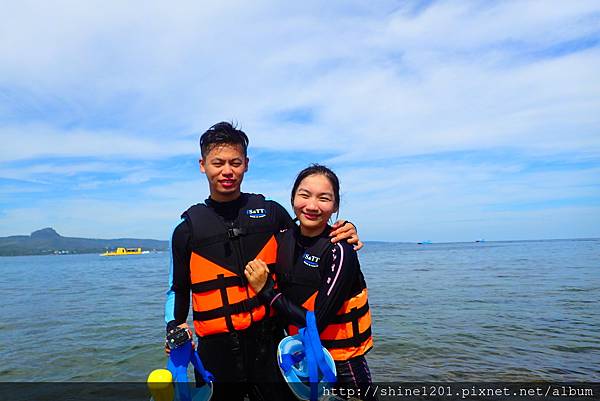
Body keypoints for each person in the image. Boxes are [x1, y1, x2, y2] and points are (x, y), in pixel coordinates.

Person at [165, 123, 362, 401]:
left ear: (246, 164)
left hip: (269, 344)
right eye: (217, 163)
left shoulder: (271, 214)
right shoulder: (187, 230)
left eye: (235, 162)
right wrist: (173, 325)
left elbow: (310, 234)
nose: (227, 171)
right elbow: (178, 288)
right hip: (216, 351)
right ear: (203, 165)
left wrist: (346, 230)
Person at [245, 164, 376, 401]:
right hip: (302, 356)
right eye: (304, 195)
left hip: (342, 361)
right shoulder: (283, 237)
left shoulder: (339, 249)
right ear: (293, 197)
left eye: (324, 198)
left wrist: (266, 291)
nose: (312, 206)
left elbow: (317, 321)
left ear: (335, 206)